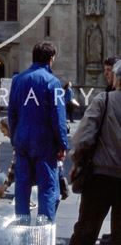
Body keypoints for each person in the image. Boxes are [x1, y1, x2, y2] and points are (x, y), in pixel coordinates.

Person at [8, 41, 68, 223]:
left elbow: (12, 113)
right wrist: (62, 144)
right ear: (51, 59)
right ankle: (43, 233)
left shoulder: (18, 80)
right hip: (44, 142)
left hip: (22, 139)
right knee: (47, 187)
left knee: (22, 185)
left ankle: (22, 227)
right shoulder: (53, 82)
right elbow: (58, 117)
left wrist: (14, 138)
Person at [69, 59, 121, 244]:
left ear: (117, 79)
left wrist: (77, 162)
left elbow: (84, 139)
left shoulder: (103, 100)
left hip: (101, 178)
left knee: (85, 232)